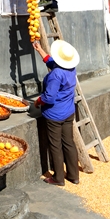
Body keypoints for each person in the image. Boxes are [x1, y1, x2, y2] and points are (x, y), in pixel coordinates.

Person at [33, 39, 80, 186]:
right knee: (69, 143)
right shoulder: (71, 69)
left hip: (54, 115)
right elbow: (51, 61)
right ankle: (74, 176)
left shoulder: (56, 74)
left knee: (55, 145)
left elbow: (49, 97)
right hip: (68, 112)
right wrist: (39, 49)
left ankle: (58, 178)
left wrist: (38, 101)